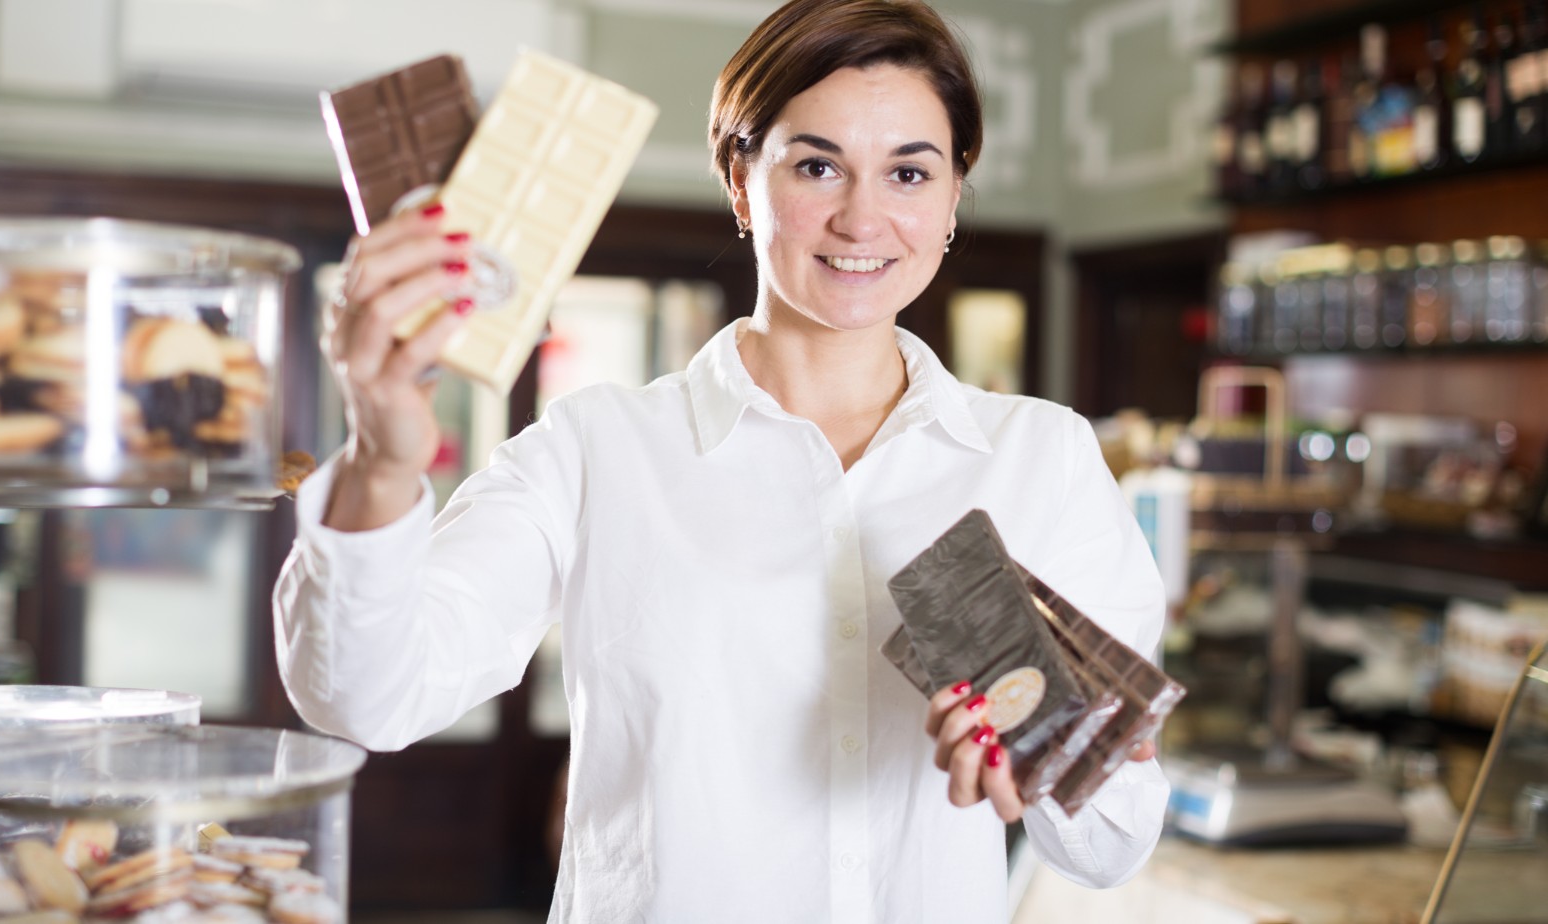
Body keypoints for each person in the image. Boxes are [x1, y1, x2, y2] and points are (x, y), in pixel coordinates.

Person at [275, 0, 1170, 919]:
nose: (865, 219)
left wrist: (1054, 755)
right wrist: (383, 459)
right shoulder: (595, 450)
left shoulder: (1042, 456)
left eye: (909, 172)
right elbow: (365, 699)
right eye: (817, 165)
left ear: (952, 198)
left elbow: (1113, 845)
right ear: (741, 184)